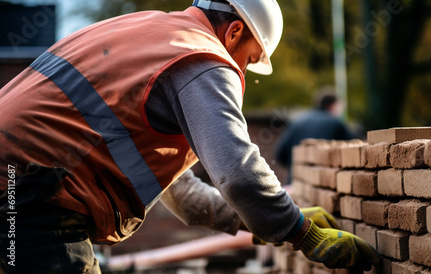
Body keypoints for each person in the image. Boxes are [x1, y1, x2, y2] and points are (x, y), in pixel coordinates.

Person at [0, 0, 379, 273]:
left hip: (16, 189)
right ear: (234, 32)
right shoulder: (201, 58)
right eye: (248, 61)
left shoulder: (147, 31)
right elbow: (239, 172)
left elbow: (181, 192)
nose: (242, 70)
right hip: (32, 198)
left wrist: (260, 221)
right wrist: (302, 234)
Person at [275, 90, 355, 184]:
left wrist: (296, 166)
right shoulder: (335, 123)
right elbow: (353, 152)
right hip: (323, 186)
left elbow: (280, 154)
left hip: (295, 184)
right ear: (332, 105)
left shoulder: (297, 121)